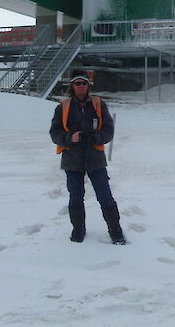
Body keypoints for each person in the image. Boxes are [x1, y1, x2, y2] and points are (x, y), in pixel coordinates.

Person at [49, 71, 126, 245]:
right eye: (77, 83)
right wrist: (71, 138)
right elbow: (55, 133)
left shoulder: (98, 104)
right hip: (72, 159)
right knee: (76, 196)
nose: (81, 86)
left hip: (95, 158)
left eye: (84, 83)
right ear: (72, 86)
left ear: (88, 85)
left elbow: (108, 129)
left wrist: (95, 138)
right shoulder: (63, 107)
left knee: (105, 195)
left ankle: (116, 231)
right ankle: (78, 230)